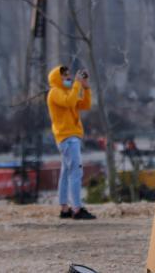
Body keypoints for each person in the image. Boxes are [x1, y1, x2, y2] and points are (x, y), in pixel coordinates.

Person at [46, 65, 96, 220]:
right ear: (56, 78)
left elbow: (84, 105)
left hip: (71, 136)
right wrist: (76, 83)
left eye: (69, 75)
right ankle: (77, 208)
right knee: (76, 171)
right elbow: (68, 102)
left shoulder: (69, 92)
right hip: (67, 137)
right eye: (64, 76)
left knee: (66, 172)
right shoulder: (55, 93)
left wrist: (85, 87)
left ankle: (64, 208)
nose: (68, 78)